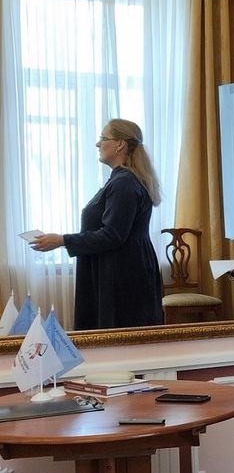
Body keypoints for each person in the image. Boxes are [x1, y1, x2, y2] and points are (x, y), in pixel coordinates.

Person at [29, 119, 164, 330]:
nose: (98, 144)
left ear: (120, 144)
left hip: (121, 273)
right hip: (120, 268)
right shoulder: (121, 180)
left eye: (103, 138)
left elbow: (112, 235)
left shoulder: (124, 183)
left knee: (121, 338)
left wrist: (62, 240)